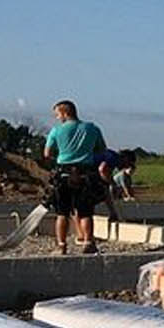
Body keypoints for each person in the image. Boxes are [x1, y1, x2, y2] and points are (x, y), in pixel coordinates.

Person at [43, 100, 107, 254]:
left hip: (63, 173)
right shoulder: (92, 128)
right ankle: (88, 242)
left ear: (65, 113)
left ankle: (62, 245)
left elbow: (47, 153)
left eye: (57, 114)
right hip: (85, 173)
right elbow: (101, 149)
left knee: (62, 213)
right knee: (85, 212)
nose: (57, 118)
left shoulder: (56, 131)